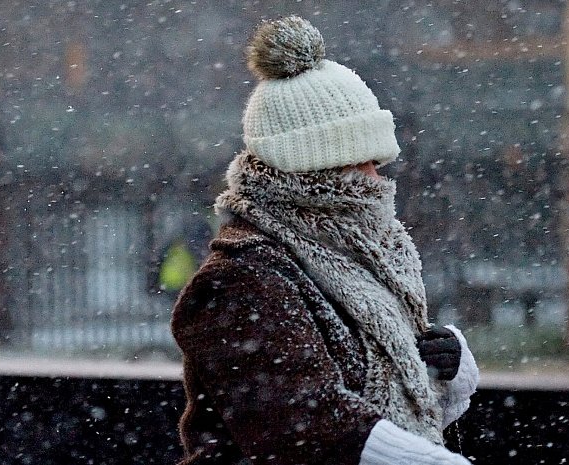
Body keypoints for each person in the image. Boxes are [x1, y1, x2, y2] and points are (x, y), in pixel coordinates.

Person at [171, 16, 479, 465]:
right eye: (364, 162)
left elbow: (378, 405)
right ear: (316, 170)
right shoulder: (240, 279)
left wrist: (448, 368)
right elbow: (303, 423)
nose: (379, 179)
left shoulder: (358, 259)